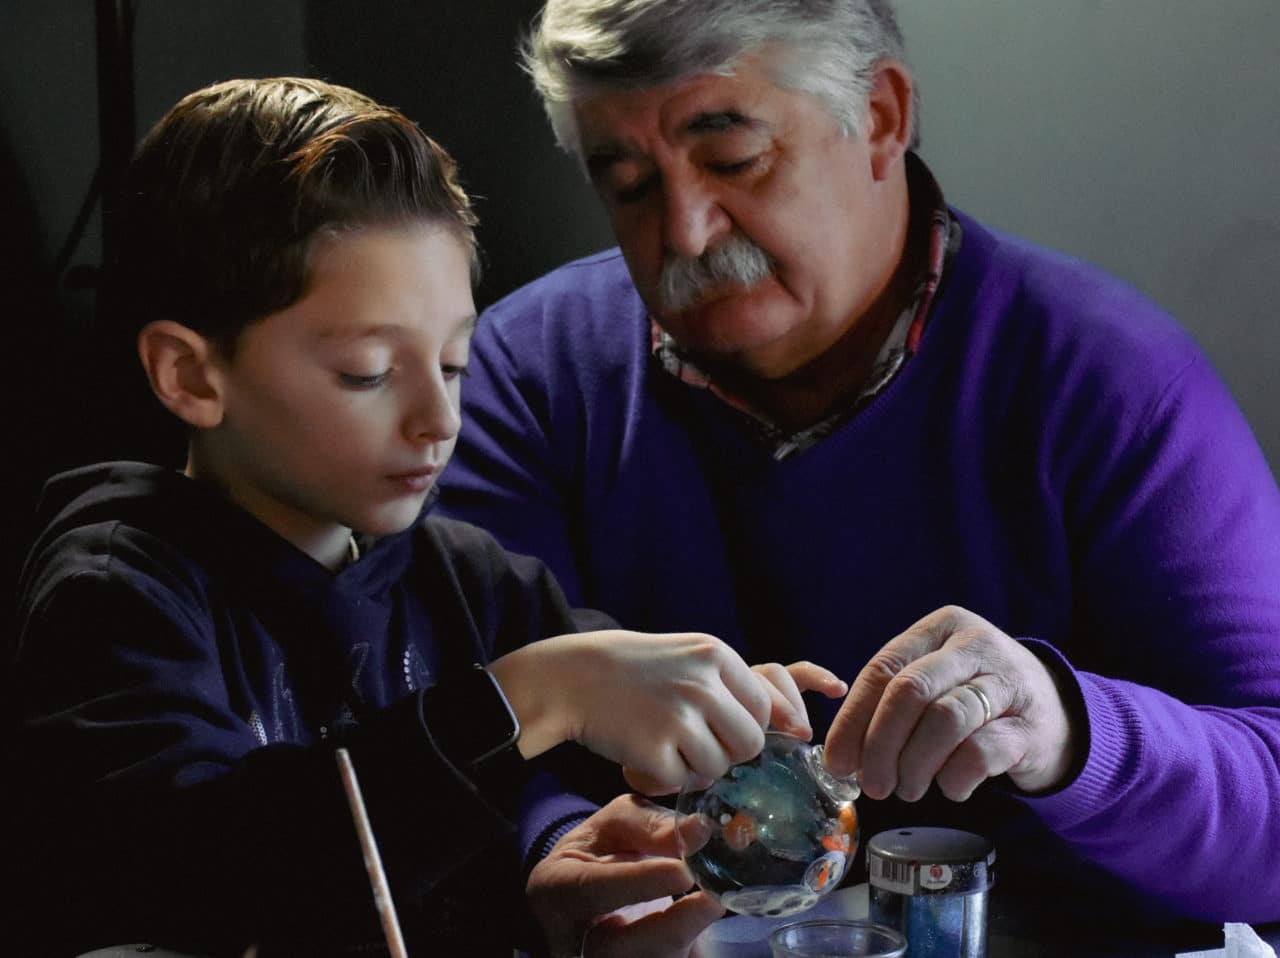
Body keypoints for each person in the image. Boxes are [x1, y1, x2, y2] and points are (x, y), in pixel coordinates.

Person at [435, 0, 1280, 947]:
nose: (685, 231)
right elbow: (447, 737)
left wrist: (1069, 730)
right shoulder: (528, 377)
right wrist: (556, 851)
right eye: (628, 184)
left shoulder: (1109, 382)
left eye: (732, 160)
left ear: (880, 116)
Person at [3, 76, 846, 958]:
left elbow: (598, 756)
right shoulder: (115, 596)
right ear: (191, 376)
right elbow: (209, 877)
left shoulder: (467, 580)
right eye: (369, 371)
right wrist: (524, 700)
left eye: (451, 364)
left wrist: (731, 731)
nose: (439, 420)